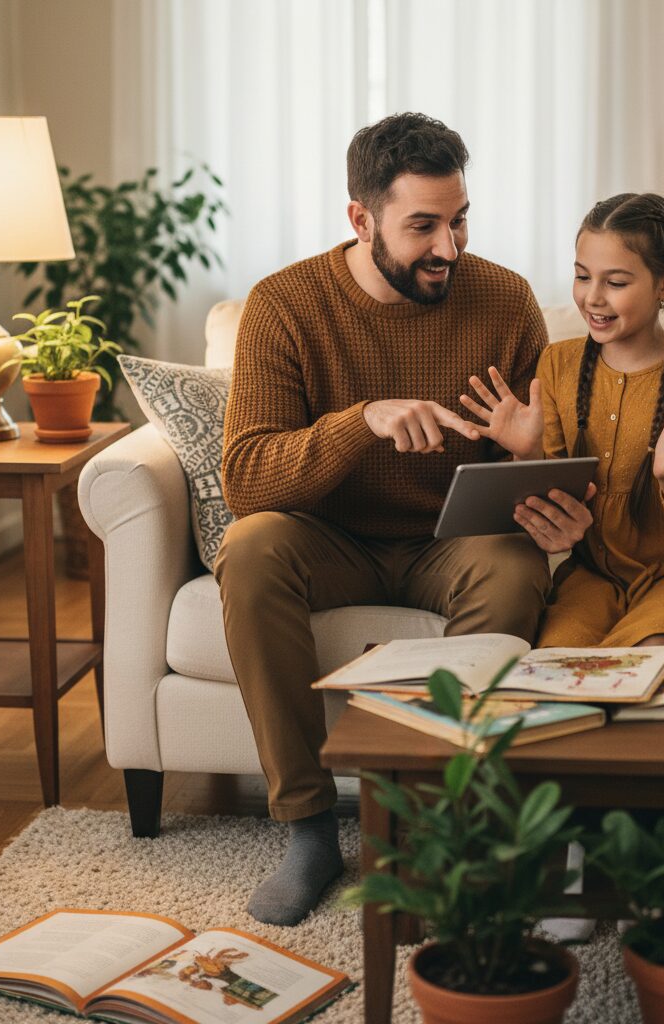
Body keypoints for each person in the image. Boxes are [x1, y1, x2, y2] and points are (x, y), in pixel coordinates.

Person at [216, 113, 551, 925]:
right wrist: (356, 422)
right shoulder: (284, 305)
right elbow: (246, 477)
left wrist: (534, 460)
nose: (449, 246)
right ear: (361, 220)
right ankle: (306, 830)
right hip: (328, 539)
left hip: (453, 539)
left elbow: (544, 459)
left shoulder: (505, 300)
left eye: (460, 218)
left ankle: (441, 823)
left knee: (514, 569)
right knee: (249, 548)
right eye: (423, 226)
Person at [460, 192, 664, 654]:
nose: (593, 297)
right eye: (582, 276)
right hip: (592, 578)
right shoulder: (558, 363)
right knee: (557, 663)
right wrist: (526, 455)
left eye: (617, 282)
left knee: (656, 655)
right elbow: (557, 500)